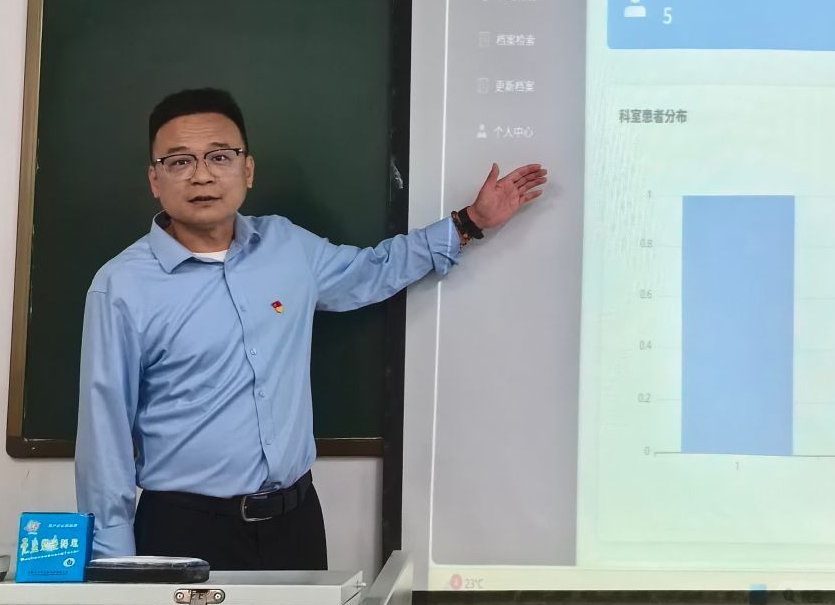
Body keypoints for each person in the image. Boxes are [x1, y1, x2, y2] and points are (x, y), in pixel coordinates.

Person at [76, 86, 547, 571]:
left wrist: (469, 222)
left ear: (247, 170)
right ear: (154, 179)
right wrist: (114, 567)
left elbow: (371, 272)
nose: (202, 175)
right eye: (179, 162)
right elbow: (104, 434)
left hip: (294, 522)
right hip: (184, 528)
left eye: (219, 156)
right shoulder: (122, 286)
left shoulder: (286, 246)